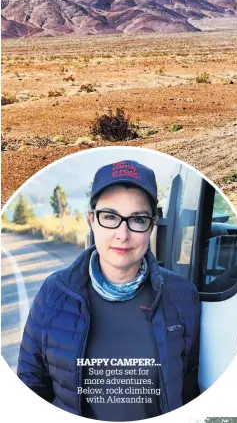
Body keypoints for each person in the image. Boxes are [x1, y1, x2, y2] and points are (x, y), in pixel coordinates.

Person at [17, 160, 201, 420]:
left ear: (152, 225)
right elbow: (30, 385)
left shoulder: (183, 295)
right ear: (92, 219)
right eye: (110, 217)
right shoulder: (54, 293)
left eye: (137, 219)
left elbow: (189, 389)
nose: (122, 234)